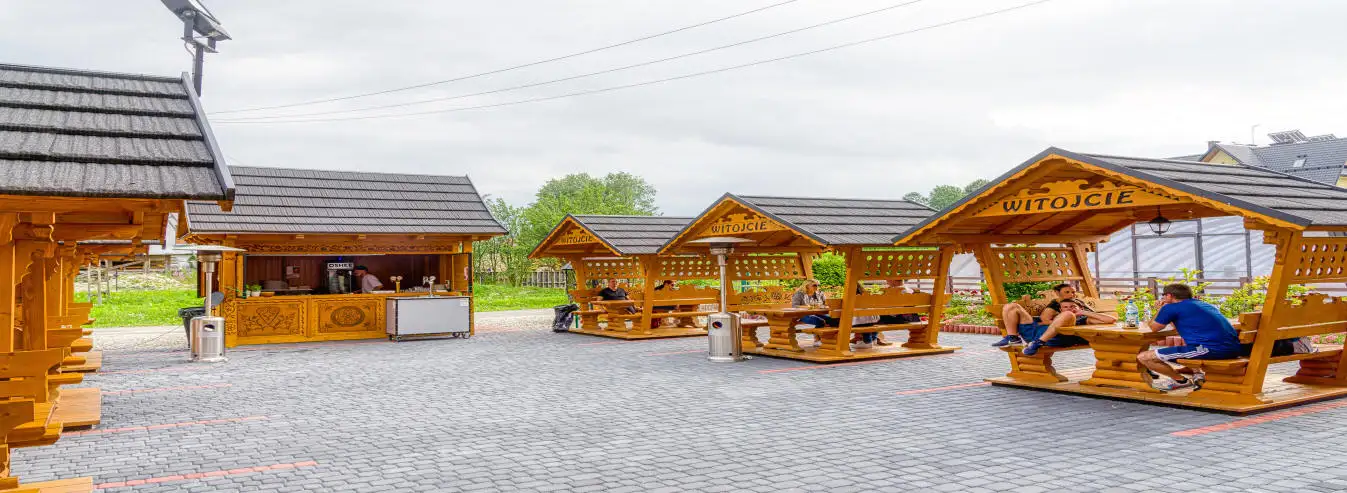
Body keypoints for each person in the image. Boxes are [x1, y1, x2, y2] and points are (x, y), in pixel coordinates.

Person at [1137, 283, 1242, 391]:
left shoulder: (1170, 307)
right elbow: (1178, 329)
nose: (1162, 298)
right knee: (1188, 346)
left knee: (1143, 357)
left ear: (1169, 296)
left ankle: (1181, 381)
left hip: (1211, 349)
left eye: (1163, 295)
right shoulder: (1203, 304)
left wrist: (1160, 309)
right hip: (1232, 348)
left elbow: (1153, 327)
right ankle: (1197, 374)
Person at [1021, 299, 1115, 356]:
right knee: (1067, 315)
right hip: (1051, 338)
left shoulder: (1084, 319)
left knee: (1068, 315)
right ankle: (1036, 343)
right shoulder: (1057, 317)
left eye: (1073, 306)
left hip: (1065, 339)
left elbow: (1111, 320)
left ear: (1079, 307)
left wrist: (1083, 312)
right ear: (1060, 310)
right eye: (1065, 307)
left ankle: (1037, 343)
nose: (1069, 308)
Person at [792, 279, 833, 347]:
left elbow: (826, 303)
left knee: (832, 319)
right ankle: (816, 339)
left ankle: (829, 339)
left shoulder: (819, 293)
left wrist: (824, 305)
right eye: (814, 285)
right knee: (820, 321)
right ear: (807, 286)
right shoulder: (799, 294)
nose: (817, 287)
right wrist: (808, 307)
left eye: (818, 285)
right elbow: (795, 306)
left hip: (818, 312)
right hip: (803, 314)